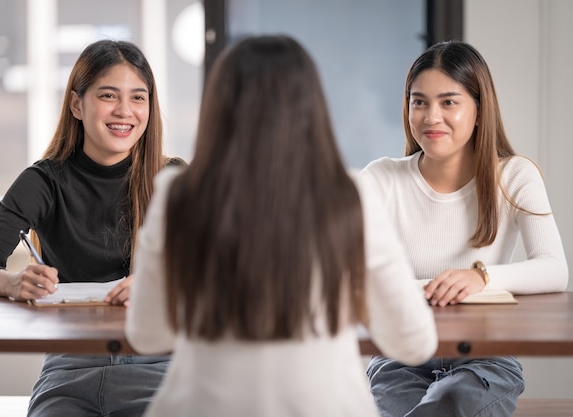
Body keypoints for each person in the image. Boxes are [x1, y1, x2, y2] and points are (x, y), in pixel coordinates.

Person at [125, 34, 437, 417]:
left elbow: (147, 335)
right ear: (311, 110)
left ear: (218, 110)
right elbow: (415, 343)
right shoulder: (350, 195)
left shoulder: (176, 196)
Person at [0, 39, 183, 417]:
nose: (124, 111)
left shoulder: (173, 179)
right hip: (69, 371)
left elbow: (222, 274)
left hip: (158, 367)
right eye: (108, 95)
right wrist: (11, 283)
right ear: (77, 104)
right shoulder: (44, 182)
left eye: (138, 98)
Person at [361, 40, 569, 417]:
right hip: (399, 354)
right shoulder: (380, 178)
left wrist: (481, 277)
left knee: (450, 403)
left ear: (479, 109)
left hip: (485, 358)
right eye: (419, 101)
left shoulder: (515, 175)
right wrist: (435, 287)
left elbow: (555, 269)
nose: (430, 117)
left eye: (449, 102)